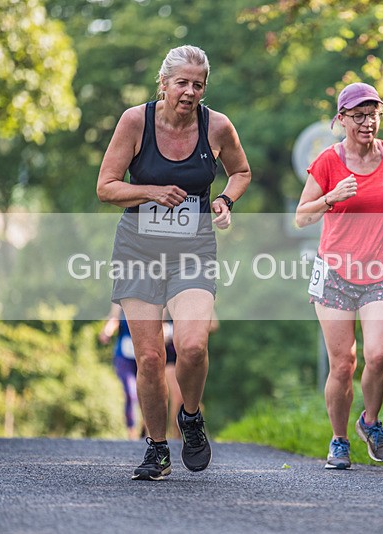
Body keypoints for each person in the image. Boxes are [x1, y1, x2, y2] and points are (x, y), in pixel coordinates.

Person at [96, 44, 251, 480]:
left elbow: (241, 172)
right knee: (147, 358)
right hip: (138, 252)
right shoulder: (135, 121)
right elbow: (106, 187)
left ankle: (191, 417)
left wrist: (224, 199)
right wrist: (151, 190)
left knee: (193, 345)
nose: (189, 91)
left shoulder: (217, 126)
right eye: (181, 82)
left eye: (197, 85)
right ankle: (157, 448)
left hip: (193, 252)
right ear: (162, 84)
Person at [295, 82, 383, 470]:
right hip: (335, 273)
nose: (367, 122)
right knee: (343, 362)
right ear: (341, 119)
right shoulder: (328, 162)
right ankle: (339, 439)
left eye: (373, 114)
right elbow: (302, 216)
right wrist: (331, 197)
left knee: (378, 354)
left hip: (380, 269)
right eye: (359, 116)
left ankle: (370, 422)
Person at [99, 303, 142, 441]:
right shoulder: (122, 295)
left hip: (143, 355)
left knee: (146, 393)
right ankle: (132, 431)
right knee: (130, 392)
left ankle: (147, 429)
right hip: (124, 356)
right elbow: (114, 318)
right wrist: (107, 331)